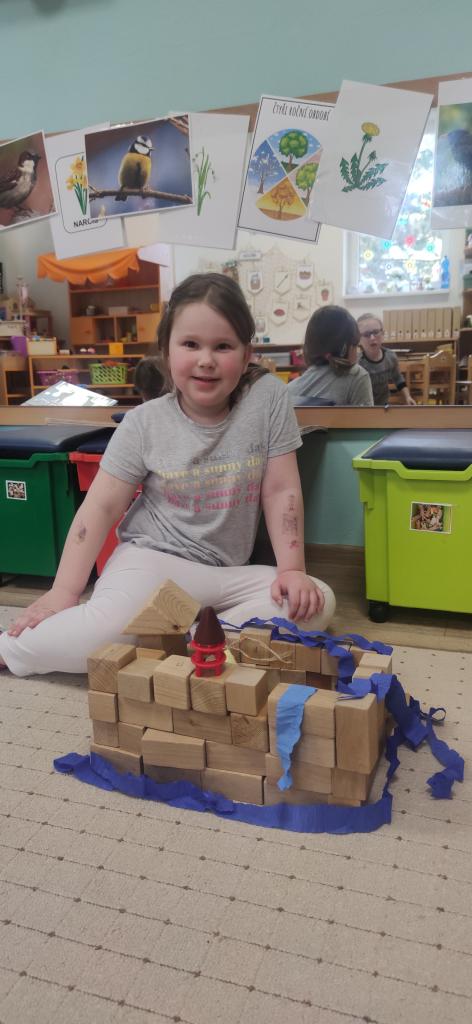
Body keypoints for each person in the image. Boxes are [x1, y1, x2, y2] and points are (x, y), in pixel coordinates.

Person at [0, 273, 335, 677]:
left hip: (227, 574)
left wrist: (293, 570)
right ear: (166, 350)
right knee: (100, 638)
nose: (206, 360)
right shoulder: (144, 422)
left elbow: (281, 490)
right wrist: (63, 593)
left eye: (223, 346)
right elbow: (100, 509)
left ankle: (188, 642)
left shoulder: (268, 398)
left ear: (247, 354)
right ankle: (8, 648)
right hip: (151, 563)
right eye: (190, 344)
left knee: (315, 601)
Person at [287, 306, 373, 407]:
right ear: (345, 348)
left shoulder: (287, 390)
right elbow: (367, 417)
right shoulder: (357, 376)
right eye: (356, 346)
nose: (358, 352)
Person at [357, 314, 416, 407]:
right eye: (366, 334)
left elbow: (398, 378)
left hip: (383, 406)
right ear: (359, 339)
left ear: (383, 333)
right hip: (364, 407)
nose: (372, 338)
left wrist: (407, 397)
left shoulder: (390, 357)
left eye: (376, 332)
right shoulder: (357, 362)